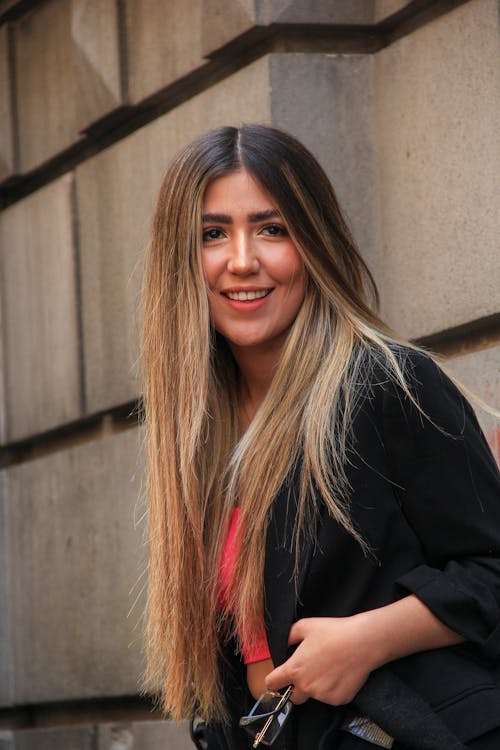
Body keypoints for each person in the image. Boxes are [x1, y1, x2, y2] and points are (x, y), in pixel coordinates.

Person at [141, 124, 500, 750]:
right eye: (212, 233)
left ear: (314, 243)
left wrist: (368, 639)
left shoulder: (385, 385)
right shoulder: (198, 435)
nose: (242, 259)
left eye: (273, 229)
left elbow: (492, 567)